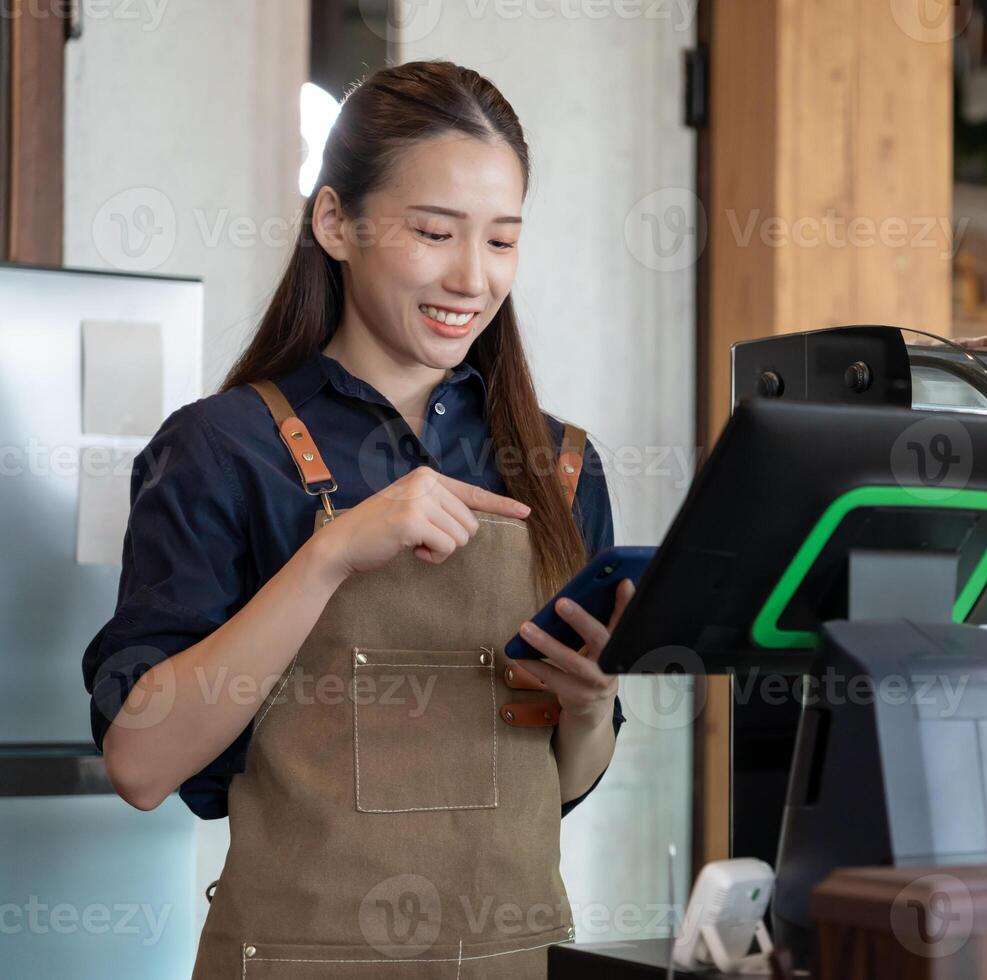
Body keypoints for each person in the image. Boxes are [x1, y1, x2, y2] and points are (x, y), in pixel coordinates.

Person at [81, 60, 627, 979]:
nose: (472, 275)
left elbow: (558, 785)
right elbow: (141, 765)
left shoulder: (562, 467)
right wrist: (331, 554)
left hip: (517, 961)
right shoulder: (221, 448)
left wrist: (592, 703)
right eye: (433, 232)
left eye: (502, 240)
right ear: (335, 222)